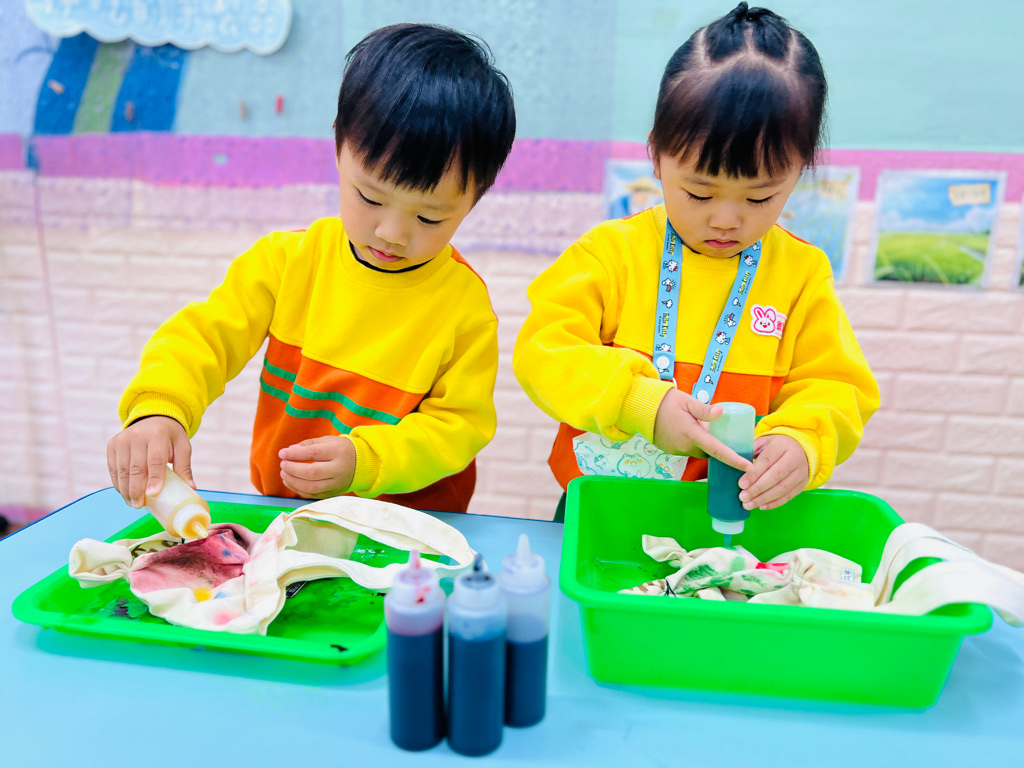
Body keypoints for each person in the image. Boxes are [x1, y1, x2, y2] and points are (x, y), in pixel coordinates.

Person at [108, 24, 516, 514]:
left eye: (430, 218)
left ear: (476, 198)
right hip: (289, 512)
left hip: (409, 527)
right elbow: (202, 339)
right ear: (338, 145)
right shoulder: (286, 263)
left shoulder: (463, 307)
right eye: (370, 197)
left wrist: (367, 459)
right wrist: (158, 407)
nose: (392, 233)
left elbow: (459, 427)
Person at [514, 3, 878, 518]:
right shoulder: (611, 253)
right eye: (699, 194)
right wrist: (639, 400)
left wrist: (803, 439)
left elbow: (838, 387)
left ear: (799, 171)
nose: (726, 221)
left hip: (732, 515)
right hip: (600, 507)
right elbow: (543, 352)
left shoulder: (801, 273)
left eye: (760, 197)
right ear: (657, 156)